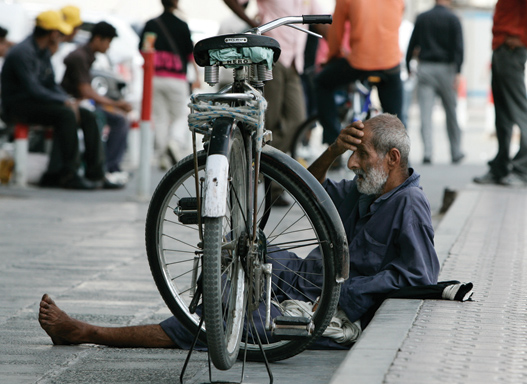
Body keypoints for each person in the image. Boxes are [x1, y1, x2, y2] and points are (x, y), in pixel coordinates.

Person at [38, 114, 473, 350]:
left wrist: (344, 297)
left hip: (323, 298)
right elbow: (309, 189)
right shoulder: (367, 190)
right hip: (305, 274)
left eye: (361, 156)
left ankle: (87, 332)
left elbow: (417, 277)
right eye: (353, 155)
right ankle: (207, 309)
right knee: (251, 256)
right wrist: (333, 148)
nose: (354, 165)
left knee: (226, 325)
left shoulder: (409, 205)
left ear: (392, 158)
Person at [0, 10, 120, 190]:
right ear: (53, 33)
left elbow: (50, 83)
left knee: (86, 113)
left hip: (36, 102)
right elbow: (33, 89)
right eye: (61, 33)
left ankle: (96, 173)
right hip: (18, 106)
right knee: (65, 114)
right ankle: (67, 173)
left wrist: (67, 99)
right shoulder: (22, 52)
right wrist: (63, 102)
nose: (63, 37)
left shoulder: (42, 52)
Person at [223, 0, 326, 155]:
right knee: (268, 121)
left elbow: (323, 22)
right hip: (270, 58)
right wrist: (254, 25)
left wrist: (345, 50)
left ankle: (261, 159)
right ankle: (260, 164)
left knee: (298, 121)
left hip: (294, 64)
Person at [315, 0, 404, 148]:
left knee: (322, 83)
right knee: (396, 121)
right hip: (391, 63)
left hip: (360, 62)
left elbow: (336, 32)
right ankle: (400, 158)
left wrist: (332, 57)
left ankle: (333, 142)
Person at [473, 0, 527, 187]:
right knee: (502, 114)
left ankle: (523, 169)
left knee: (518, 112)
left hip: (511, 49)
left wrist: (525, 39)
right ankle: (500, 167)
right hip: (502, 49)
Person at [61, 21, 132, 179]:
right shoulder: (79, 56)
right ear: (98, 39)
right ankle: (106, 167)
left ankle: (109, 165)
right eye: (108, 42)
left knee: (120, 118)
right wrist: (115, 104)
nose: (109, 46)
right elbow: (85, 91)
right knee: (117, 119)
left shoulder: (87, 56)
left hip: (83, 102)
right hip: (76, 104)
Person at [138, 0, 200, 170]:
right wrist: (197, 76)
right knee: (181, 114)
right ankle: (174, 141)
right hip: (176, 78)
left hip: (155, 77)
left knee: (160, 118)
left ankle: (163, 157)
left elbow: (144, 49)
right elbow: (190, 53)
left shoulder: (151, 24)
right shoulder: (182, 25)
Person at [406, 0, 465, 165]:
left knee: (425, 113)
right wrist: (458, 71)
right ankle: (456, 151)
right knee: (451, 112)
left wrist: (408, 64)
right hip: (447, 69)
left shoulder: (423, 18)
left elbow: (412, 43)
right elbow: (459, 47)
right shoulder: (453, 19)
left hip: (426, 68)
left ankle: (427, 152)